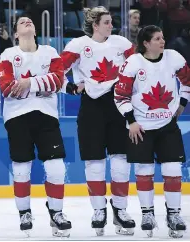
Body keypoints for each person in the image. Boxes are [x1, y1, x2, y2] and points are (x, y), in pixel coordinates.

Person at [60, 6, 136, 236]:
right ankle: (99, 210)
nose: (111, 25)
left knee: (121, 160)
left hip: (118, 105)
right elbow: (57, 70)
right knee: (94, 161)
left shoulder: (122, 44)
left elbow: (139, 67)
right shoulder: (78, 45)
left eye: (111, 21)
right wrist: (70, 87)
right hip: (91, 107)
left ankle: (121, 209)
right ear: (95, 25)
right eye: (106, 22)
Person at [0, 16, 71, 237]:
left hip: (47, 115)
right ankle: (24, 213)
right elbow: (7, 88)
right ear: (16, 34)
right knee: (21, 168)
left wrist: (29, 82)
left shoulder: (50, 52)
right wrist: (43, 84)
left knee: (57, 168)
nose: (27, 22)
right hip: (16, 116)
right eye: (22, 22)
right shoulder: (8, 55)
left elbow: (58, 82)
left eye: (30, 21)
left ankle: (56, 213)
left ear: (36, 29)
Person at [114, 25, 189, 238]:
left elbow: (187, 81)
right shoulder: (133, 63)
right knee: (144, 171)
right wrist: (131, 121)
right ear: (146, 43)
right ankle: (148, 214)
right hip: (140, 127)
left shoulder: (174, 58)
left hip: (167, 125)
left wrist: (182, 102)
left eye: (163, 37)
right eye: (157, 39)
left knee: (173, 169)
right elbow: (120, 96)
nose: (162, 41)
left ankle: (173, 214)